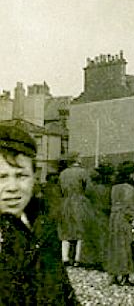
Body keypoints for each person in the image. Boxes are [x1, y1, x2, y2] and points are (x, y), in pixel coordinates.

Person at [0, 124, 78, 305]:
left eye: (21, 176)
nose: (13, 187)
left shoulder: (42, 227)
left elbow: (62, 292)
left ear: (34, 177)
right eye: (2, 177)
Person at [105, 161, 134, 286]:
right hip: (126, 218)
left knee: (116, 245)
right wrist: (133, 219)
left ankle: (114, 275)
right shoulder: (129, 187)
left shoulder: (114, 186)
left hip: (115, 218)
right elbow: (128, 205)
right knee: (128, 245)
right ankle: (125, 276)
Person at [58, 157, 96, 267]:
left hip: (65, 202)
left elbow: (60, 189)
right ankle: (77, 259)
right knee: (81, 230)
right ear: (77, 161)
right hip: (79, 202)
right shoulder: (83, 172)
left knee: (65, 230)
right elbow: (89, 189)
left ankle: (64, 257)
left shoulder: (63, 173)